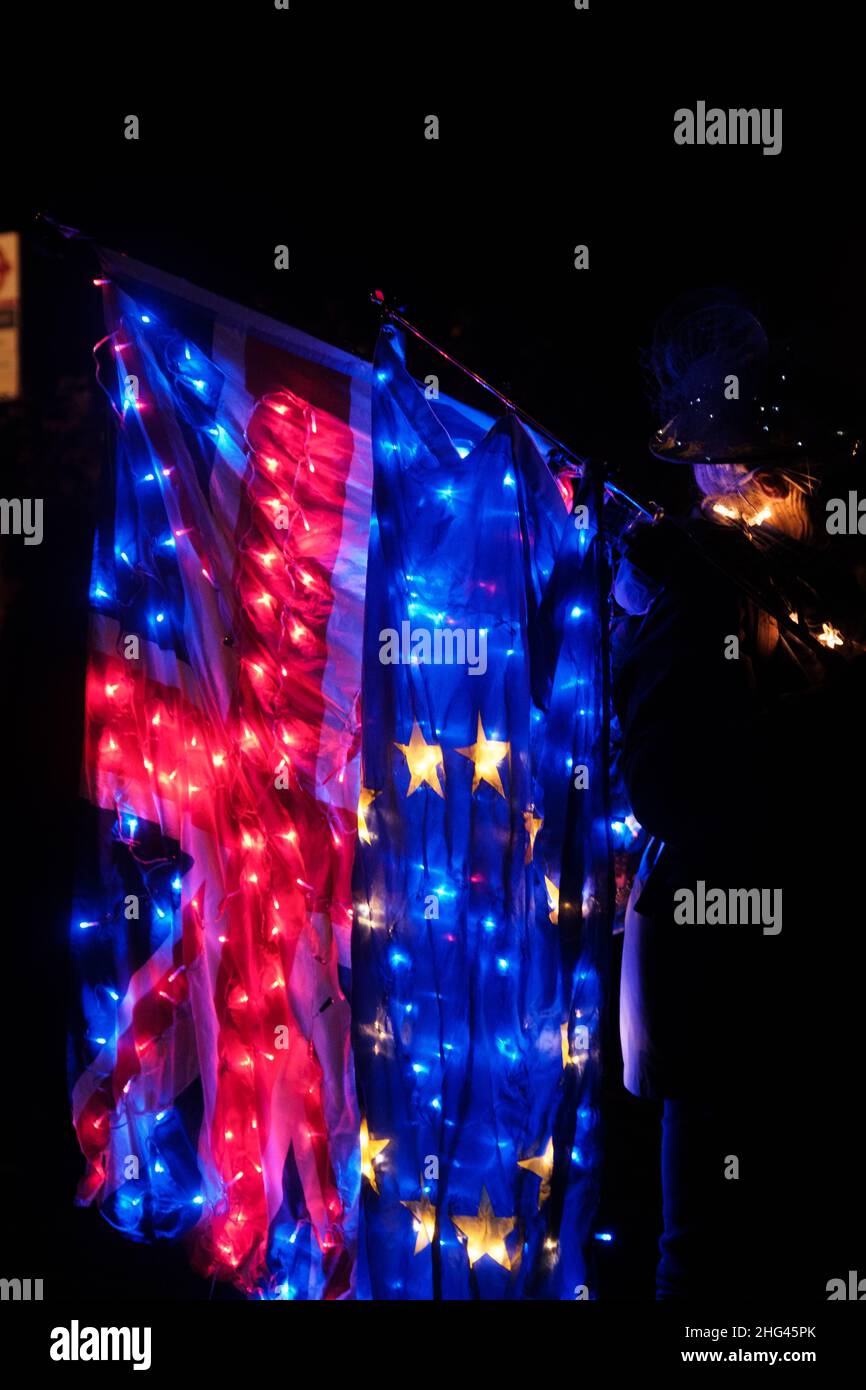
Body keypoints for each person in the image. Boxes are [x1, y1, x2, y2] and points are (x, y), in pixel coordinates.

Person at [612, 291, 866, 1299]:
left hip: (739, 986)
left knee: (712, 1253)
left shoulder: (738, 579)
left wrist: (663, 614)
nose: (726, 478)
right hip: (764, 984)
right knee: (729, 1244)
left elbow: (676, 785)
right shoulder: (769, 573)